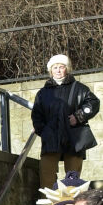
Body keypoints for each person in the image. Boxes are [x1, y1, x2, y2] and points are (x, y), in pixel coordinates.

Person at [31, 54, 100, 189]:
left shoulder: (80, 88)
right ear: (51, 71)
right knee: (46, 173)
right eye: (55, 67)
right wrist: (44, 131)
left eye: (61, 67)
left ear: (67, 69)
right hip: (50, 138)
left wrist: (79, 116)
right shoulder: (43, 93)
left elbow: (93, 103)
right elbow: (36, 116)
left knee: (72, 177)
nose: (58, 70)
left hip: (74, 138)